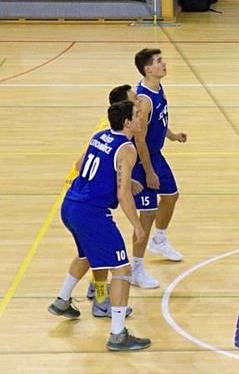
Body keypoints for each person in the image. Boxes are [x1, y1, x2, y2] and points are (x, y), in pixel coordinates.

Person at [48, 100, 151, 351]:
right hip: (91, 213)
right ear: (127, 122)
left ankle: (62, 300)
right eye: (137, 115)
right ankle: (118, 334)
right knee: (122, 270)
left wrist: (119, 179)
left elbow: (80, 166)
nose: (141, 118)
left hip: (70, 205)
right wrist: (137, 225)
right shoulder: (127, 149)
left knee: (86, 255)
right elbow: (122, 196)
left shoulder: (100, 135)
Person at [129, 48, 187, 289]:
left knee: (171, 195)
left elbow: (159, 122)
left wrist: (171, 135)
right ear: (148, 69)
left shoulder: (158, 88)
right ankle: (136, 269)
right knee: (147, 215)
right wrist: (149, 171)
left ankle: (159, 239)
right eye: (159, 62)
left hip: (156, 155)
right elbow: (139, 139)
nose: (164, 64)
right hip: (142, 161)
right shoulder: (143, 100)